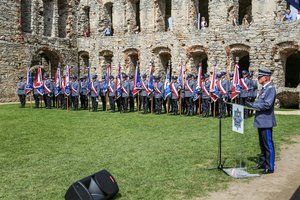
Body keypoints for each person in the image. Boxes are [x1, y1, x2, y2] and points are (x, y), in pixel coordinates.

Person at [246, 68, 276, 174]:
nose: (258, 78)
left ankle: (270, 166)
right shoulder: (264, 89)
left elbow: (267, 104)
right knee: (262, 144)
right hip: (261, 120)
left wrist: (253, 105)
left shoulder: (270, 89)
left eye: (260, 77)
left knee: (268, 144)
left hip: (266, 121)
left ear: (266, 77)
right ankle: (262, 163)